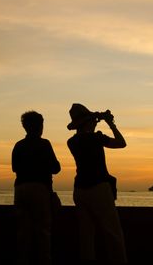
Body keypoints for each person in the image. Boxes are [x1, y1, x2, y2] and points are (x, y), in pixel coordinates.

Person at [66, 103, 127, 265]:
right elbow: (121, 143)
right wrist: (110, 123)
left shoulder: (71, 142)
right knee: (113, 233)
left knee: (86, 235)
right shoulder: (96, 138)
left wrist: (95, 118)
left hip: (80, 189)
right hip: (99, 188)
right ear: (87, 122)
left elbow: (87, 130)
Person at [12, 110, 61, 265]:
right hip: (40, 189)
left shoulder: (19, 145)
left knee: (23, 232)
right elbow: (56, 167)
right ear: (39, 126)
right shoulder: (44, 144)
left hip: (21, 189)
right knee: (43, 230)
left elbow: (15, 168)